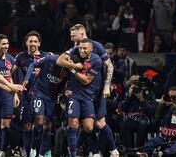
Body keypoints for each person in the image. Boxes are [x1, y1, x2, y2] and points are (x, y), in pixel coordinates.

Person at [57, 24, 119, 156]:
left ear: (82, 34)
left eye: (74, 36)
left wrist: (107, 85)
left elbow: (110, 66)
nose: (72, 39)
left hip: (98, 90)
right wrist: (74, 66)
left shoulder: (97, 47)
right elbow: (60, 61)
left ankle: (113, 149)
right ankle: (94, 151)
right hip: (82, 91)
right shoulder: (75, 48)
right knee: (86, 124)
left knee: (100, 123)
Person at [57, 38, 102, 157]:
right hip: (72, 95)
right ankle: (73, 153)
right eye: (80, 48)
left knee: (89, 128)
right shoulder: (74, 51)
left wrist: (72, 70)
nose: (81, 50)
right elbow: (59, 60)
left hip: (87, 96)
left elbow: (86, 81)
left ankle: (75, 146)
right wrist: (74, 65)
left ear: (91, 49)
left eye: (85, 48)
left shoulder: (97, 61)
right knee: (73, 124)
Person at [11, 30, 49, 156]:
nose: (33, 43)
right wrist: (14, 90)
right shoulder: (20, 57)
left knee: (41, 124)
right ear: (26, 43)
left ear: (39, 43)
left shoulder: (47, 56)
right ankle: (28, 152)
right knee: (27, 126)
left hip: (42, 96)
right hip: (27, 97)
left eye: (35, 41)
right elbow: (9, 72)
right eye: (30, 41)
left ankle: (42, 151)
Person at [23, 53, 69, 157]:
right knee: (39, 122)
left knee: (48, 127)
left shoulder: (69, 70)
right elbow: (32, 65)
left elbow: (62, 85)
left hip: (51, 99)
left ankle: (42, 154)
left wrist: (64, 93)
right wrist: (26, 79)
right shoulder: (50, 59)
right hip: (39, 93)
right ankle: (33, 149)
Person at [140, 87, 176, 156]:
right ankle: (146, 153)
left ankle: (165, 154)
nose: (171, 99)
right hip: (165, 137)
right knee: (152, 142)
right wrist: (161, 105)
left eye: (173, 97)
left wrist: (172, 105)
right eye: (169, 96)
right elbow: (157, 117)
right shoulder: (165, 105)